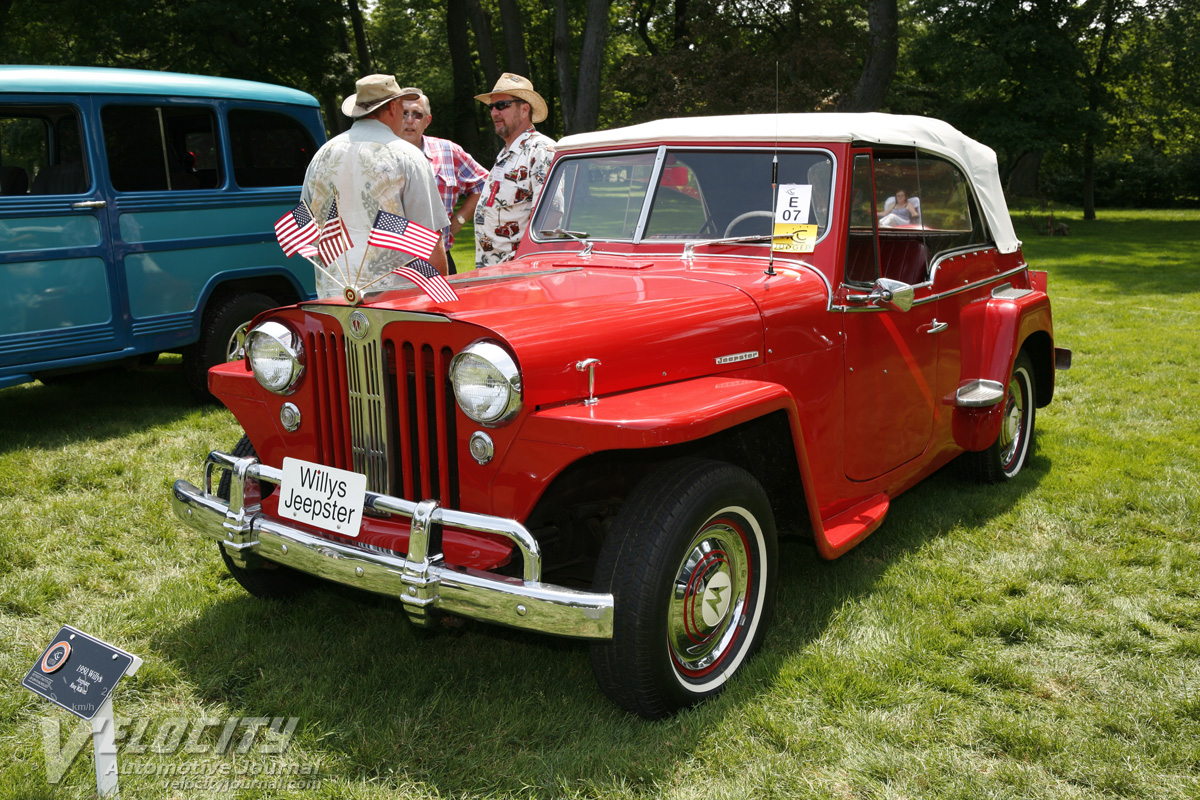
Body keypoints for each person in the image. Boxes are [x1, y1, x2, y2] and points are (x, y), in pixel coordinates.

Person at [301, 74, 449, 299]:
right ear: (392, 107)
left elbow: (305, 225)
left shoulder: (322, 154)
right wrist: (440, 299)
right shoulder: (407, 156)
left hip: (335, 296)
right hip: (394, 302)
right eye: (402, 108)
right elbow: (429, 238)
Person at [395, 87, 489, 275]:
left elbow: (485, 183)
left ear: (427, 121)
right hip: (394, 264)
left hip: (439, 258)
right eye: (404, 113)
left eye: (417, 114)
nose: (409, 120)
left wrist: (458, 221)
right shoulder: (379, 155)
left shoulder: (447, 151)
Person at [473, 73, 556, 269]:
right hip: (494, 271)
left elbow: (549, 218)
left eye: (502, 105)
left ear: (524, 109)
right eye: (491, 107)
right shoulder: (507, 152)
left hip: (518, 272)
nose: (494, 112)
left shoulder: (541, 150)